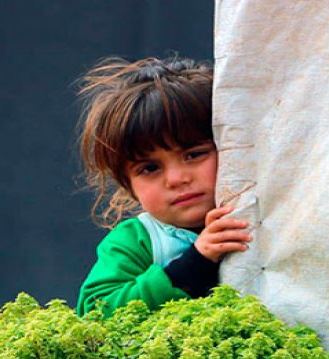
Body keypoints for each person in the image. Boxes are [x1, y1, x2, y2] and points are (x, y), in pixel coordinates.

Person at [75, 55, 252, 317]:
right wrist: (193, 264)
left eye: (194, 154)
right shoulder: (137, 241)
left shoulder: (260, 211)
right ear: (128, 185)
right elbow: (94, 312)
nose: (176, 179)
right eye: (149, 168)